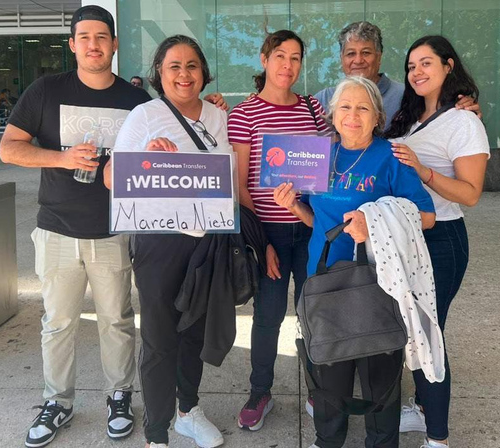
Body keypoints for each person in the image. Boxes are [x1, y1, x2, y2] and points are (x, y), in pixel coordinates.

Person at [0, 5, 151, 448]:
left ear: (114, 44)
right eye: (84, 37)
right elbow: (10, 148)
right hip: (58, 228)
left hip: (113, 230)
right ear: (72, 44)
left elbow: (166, 144)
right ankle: (57, 401)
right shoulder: (46, 90)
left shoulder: (136, 101)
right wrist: (61, 157)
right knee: (59, 322)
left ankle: (119, 396)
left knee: (117, 321)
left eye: (102, 36)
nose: (93, 45)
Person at [274, 75, 436, 448]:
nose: (352, 115)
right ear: (332, 114)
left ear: (377, 116)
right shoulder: (317, 157)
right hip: (324, 279)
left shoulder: (390, 157)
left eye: (362, 107)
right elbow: (320, 221)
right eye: (345, 107)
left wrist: (374, 219)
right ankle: (327, 441)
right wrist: (293, 206)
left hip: (377, 283)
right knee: (329, 375)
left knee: (380, 378)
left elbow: (426, 217)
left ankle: (381, 442)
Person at [109, 35, 229, 448]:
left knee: (194, 332)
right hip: (159, 241)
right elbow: (111, 178)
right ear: (160, 72)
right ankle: (156, 432)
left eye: (192, 65)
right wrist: (146, 155)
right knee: (160, 339)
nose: (184, 74)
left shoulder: (217, 116)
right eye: (174, 66)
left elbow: (222, 175)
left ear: (203, 72)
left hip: (205, 241)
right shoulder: (144, 115)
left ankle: (187, 411)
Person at [387, 35, 489, 448]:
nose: (417, 72)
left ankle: (437, 439)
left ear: (449, 66)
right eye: (411, 66)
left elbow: (470, 193)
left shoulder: (464, 121)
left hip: (441, 238)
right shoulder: (410, 119)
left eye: (426, 63)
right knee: (412, 330)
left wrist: (423, 171)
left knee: (430, 334)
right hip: (406, 237)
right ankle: (425, 408)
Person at [228, 29, 329, 430]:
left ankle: (320, 390)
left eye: (296, 58)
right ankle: (260, 391)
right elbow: (241, 185)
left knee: (314, 313)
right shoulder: (245, 114)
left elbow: (324, 168)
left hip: (309, 229)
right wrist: (262, 242)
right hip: (267, 232)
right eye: (280, 56)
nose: (288, 65)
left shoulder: (312, 109)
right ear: (264, 59)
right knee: (268, 317)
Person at [313, 22, 480, 127]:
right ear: (341, 59)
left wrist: (463, 107)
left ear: (379, 57)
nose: (358, 60)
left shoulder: (408, 95)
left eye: (366, 53)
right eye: (350, 54)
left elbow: (442, 119)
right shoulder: (322, 99)